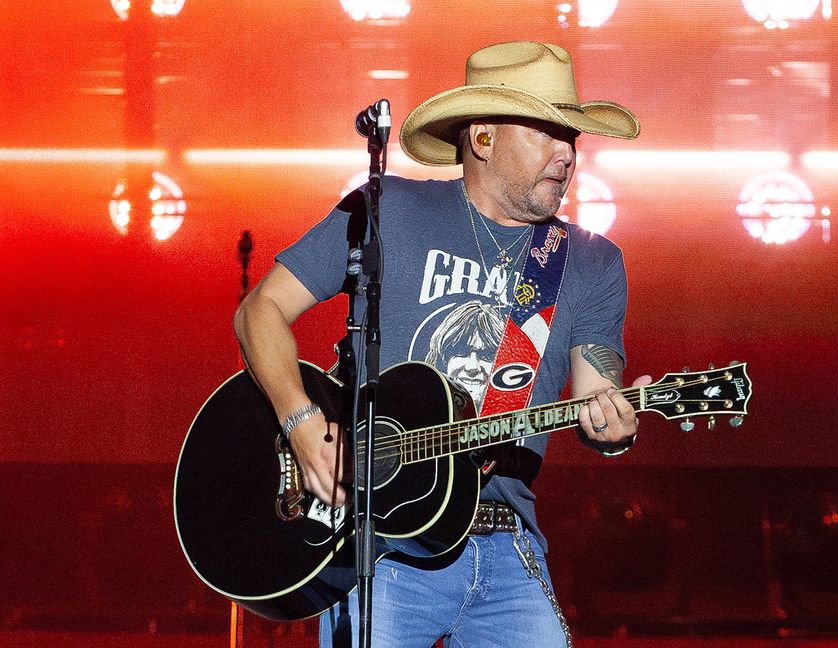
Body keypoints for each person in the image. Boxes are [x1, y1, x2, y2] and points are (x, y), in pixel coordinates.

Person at [234, 40, 652, 648]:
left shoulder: (590, 263)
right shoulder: (388, 210)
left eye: (573, 138)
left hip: (506, 544)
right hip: (383, 548)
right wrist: (300, 421)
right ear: (482, 138)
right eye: (546, 133)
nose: (567, 155)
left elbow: (597, 394)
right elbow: (260, 310)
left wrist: (614, 420)